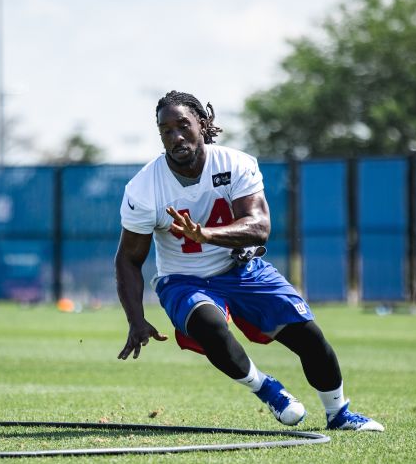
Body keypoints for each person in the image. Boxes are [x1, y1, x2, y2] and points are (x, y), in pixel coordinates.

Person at [114, 90, 384, 431]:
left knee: (309, 336)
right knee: (209, 325)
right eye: (166, 130)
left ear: (203, 123)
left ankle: (339, 412)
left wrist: (208, 235)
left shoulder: (234, 163)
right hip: (184, 279)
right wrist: (135, 320)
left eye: (183, 125)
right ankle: (266, 388)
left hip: (242, 270)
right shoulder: (143, 189)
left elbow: (259, 227)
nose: (176, 136)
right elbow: (128, 259)